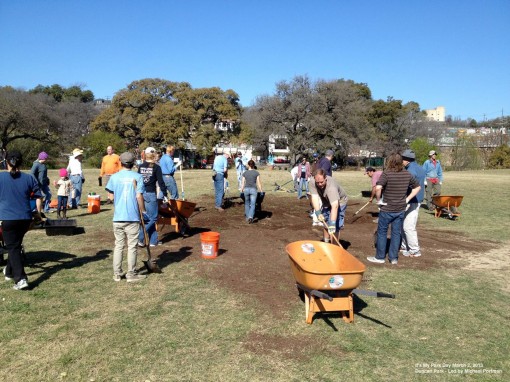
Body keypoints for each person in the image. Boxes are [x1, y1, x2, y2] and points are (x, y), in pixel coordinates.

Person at [367, 153, 421, 265]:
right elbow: (418, 187)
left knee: (382, 232)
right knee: (396, 233)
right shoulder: (407, 174)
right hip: (400, 209)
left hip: (387, 209)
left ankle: (380, 257)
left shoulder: (386, 174)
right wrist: (407, 199)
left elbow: (378, 187)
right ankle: (394, 258)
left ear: (389, 162)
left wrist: (379, 200)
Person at [0, 150, 42, 290]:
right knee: (15, 245)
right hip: (25, 219)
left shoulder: (1, 178)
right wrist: (38, 214)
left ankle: (21, 279)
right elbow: (38, 197)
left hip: (8, 219)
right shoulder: (29, 178)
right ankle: (9, 271)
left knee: (12, 247)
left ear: (6, 162)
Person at [105, 152, 147, 282]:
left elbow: (110, 196)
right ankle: (131, 274)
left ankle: (117, 274)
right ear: (133, 163)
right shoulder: (138, 177)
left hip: (118, 217)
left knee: (119, 245)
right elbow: (139, 196)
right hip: (132, 217)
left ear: (120, 162)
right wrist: (143, 210)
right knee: (132, 246)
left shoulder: (114, 177)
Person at [137, 147, 168, 247]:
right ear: (154, 155)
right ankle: (140, 237)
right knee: (153, 218)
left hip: (141, 194)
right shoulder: (156, 167)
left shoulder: (141, 166)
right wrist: (165, 194)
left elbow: (137, 179)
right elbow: (161, 182)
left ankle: (153, 241)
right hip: (150, 194)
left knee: (148, 218)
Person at [309, 168, 348, 244]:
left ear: (325, 179)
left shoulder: (331, 188)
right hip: (326, 201)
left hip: (339, 201)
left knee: (334, 225)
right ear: (314, 179)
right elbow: (314, 197)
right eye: (318, 182)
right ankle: (326, 243)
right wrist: (317, 212)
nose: (320, 184)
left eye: (321, 182)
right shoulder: (312, 182)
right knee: (325, 220)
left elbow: (335, 206)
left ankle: (334, 246)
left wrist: (333, 223)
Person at [401, 149, 426, 258]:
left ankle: (415, 250)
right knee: (404, 224)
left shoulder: (410, 171)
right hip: (417, 200)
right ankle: (404, 245)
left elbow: (408, 186)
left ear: (407, 160)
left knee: (408, 226)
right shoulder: (420, 168)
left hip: (412, 201)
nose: (401, 161)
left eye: (403, 159)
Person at [241, 159, 263, 224]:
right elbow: (258, 183)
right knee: (253, 204)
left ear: (248, 165)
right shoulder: (256, 173)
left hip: (246, 189)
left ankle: (247, 217)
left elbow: (243, 182)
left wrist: (242, 189)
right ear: (254, 165)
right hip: (253, 190)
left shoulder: (245, 173)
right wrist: (261, 190)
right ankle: (251, 216)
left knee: (247, 203)